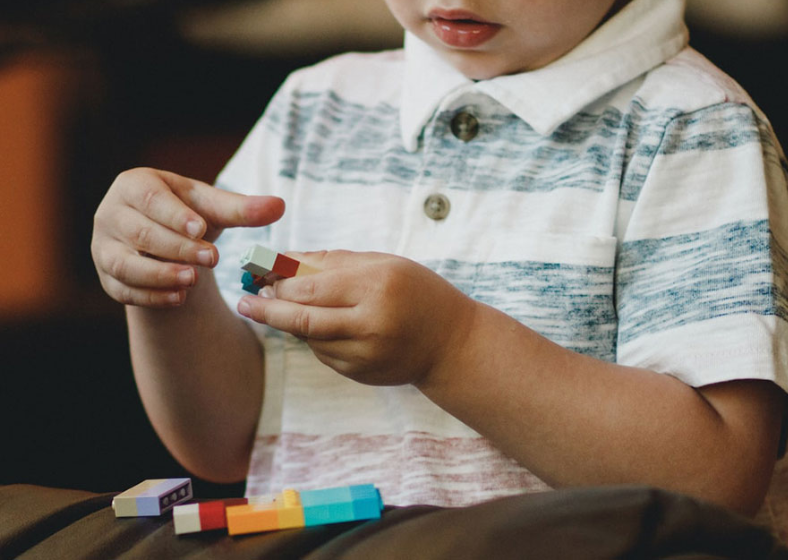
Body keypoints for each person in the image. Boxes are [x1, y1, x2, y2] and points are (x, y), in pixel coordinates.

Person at [91, 0, 788, 537]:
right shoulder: (315, 108)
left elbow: (716, 477)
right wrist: (164, 285)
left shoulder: (691, 126)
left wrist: (454, 347)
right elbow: (227, 442)